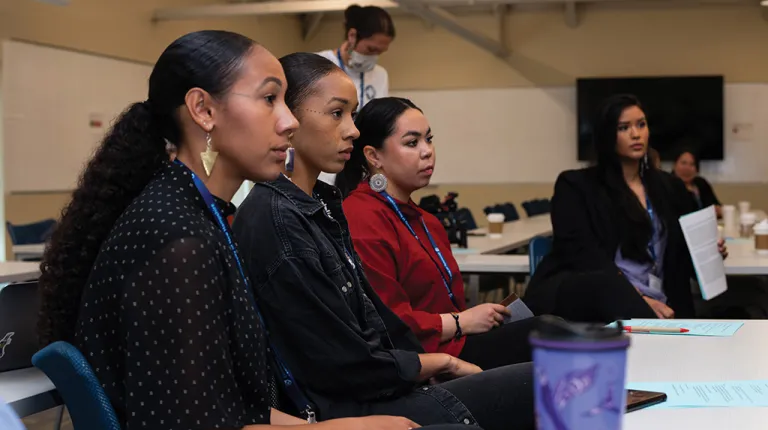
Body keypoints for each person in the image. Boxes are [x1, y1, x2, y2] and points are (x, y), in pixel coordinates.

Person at [35, 30, 448, 430]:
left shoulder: (198, 213)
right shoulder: (177, 240)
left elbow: (232, 405)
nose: (288, 122)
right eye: (270, 99)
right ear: (203, 110)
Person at [232, 52, 535, 430]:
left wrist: (423, 366)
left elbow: (379, 327)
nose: (353, 131)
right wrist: (435, 362)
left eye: (352, 115)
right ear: (290, 118)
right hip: (361, 408)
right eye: (336, 113)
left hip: (388, 387)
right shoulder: (279, 218)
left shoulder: (321, 207)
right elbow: (341, 362)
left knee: (548, 373)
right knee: (545, 383)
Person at [336, 97, 541, 369]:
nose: (427, 151)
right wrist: (462, 321)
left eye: (429, 139)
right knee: (547, 332)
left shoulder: (426, 220)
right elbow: (388, 321)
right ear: (374, 156)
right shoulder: (361, 215)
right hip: (424, 358)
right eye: (412, 143)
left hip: (456, 339)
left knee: (549, 321)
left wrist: (468, 319)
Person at [523, 94, 727, 323]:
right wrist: (636, 298)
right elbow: (583, 258)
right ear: (607, 135)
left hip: (664, 303)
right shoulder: (577, 186)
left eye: (641, 124)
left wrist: (708, 253)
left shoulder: (670, 187)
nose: (636, 134)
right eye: (624, 127)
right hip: (601, 303)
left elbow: (679, 259)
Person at [316, 4, 395, 186]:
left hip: (360, 165)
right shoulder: (320, 64)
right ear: (352, 36)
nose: (373, 57)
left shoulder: (380, 75)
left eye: (380, 52)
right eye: (370, 50)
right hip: (324, 165)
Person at [672, 149, 722, 216]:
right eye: (683, 163)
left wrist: (718, 210)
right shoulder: (668, 185)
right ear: (675, 165)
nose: (687, 168)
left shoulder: (701, 183)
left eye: (692, 164)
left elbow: (717, 205)